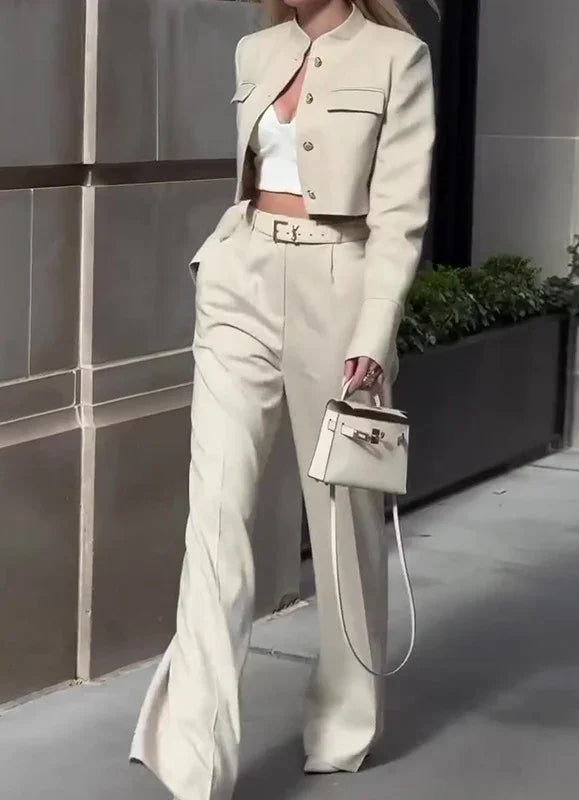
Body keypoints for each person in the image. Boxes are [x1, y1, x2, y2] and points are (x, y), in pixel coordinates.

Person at [129, 0, 435, 797]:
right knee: (216, 516)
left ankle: (345, 718)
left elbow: (399, 217)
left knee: (342, 523)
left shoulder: (398, 60)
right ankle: (193, 761)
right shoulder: (253, 49)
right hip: (242, 280)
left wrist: (373, 331)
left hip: (340, 290)